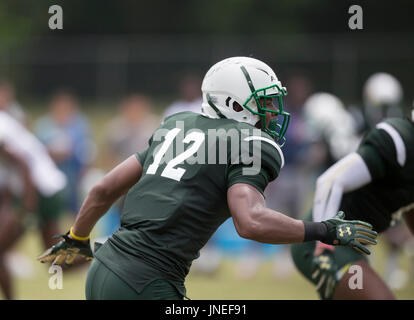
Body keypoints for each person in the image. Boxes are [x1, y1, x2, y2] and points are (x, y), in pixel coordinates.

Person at [37, 57, 377, 300]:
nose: (274, 112)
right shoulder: (249, 142)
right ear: (233, 102)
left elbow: (103, 189)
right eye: (266, 102)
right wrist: (326, 229)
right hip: (146, 282)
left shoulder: (176, 124)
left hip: (104, 271)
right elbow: (251, 222)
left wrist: (77, 237)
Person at [291, 109, 414, 300]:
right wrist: (324, 248)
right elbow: (330, 180)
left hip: (351, 248)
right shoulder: (400, 142)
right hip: (326, 244)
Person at [0, 109, 67, 299]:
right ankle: (103, 247)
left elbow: (23, 163)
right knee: (57, 262)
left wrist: (27, 208)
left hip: (38, 192)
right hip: (45, 188)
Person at [35, 91, 94, 215]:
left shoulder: (80, 125)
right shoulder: (43, 126)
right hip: (50, 171)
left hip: (74, 172)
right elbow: (36, 151)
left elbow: (87, 150)